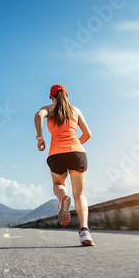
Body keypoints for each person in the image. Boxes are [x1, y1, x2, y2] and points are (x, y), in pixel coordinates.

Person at [34, 84, 95, 246]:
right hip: (77, 153)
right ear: (67, 95)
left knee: (58, 184)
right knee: (80, 194)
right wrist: (75, 146)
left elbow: (39, 115)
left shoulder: (49, 108)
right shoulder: (76, 110)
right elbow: (88, 134)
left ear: (51, 97)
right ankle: (85, 232)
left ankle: (62, 199)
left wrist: (40, 137)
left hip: (56, 154)